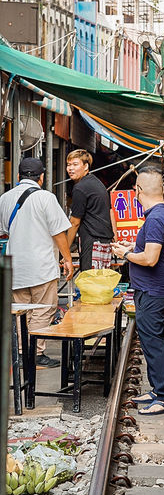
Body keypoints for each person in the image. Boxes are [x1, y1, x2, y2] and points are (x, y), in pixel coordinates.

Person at [112, 167, 164, 416]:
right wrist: (135, 245)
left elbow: (150, 258)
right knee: (152, 341)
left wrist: (125, 254)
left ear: (138, 190)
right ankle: (157, 390)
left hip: (153, 290)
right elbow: (154, 248)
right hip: (156, 288)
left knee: (154, 342)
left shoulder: (155, 218)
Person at [0, 157, 74, 368]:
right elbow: (59, 232)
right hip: (41, 266)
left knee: (21, 310)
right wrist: (67, 259)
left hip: (15, 266)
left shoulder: (5, 198)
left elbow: (3, 232)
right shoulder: (46, 198)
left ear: (18, 176)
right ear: (42, 177)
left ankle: (22, 353)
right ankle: (35, 353)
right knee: (42, 309)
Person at [66, 149, 116, 270]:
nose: (70, 168)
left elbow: (74, 222)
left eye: (75, 164)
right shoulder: (96, 183)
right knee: (101, 283)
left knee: (90, 283)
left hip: (92, 242)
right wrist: (115, 238)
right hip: (104, 241)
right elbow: (110, 211)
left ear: (86, 166)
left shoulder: (80, 188)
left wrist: (66, 251)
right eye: (68, 165)